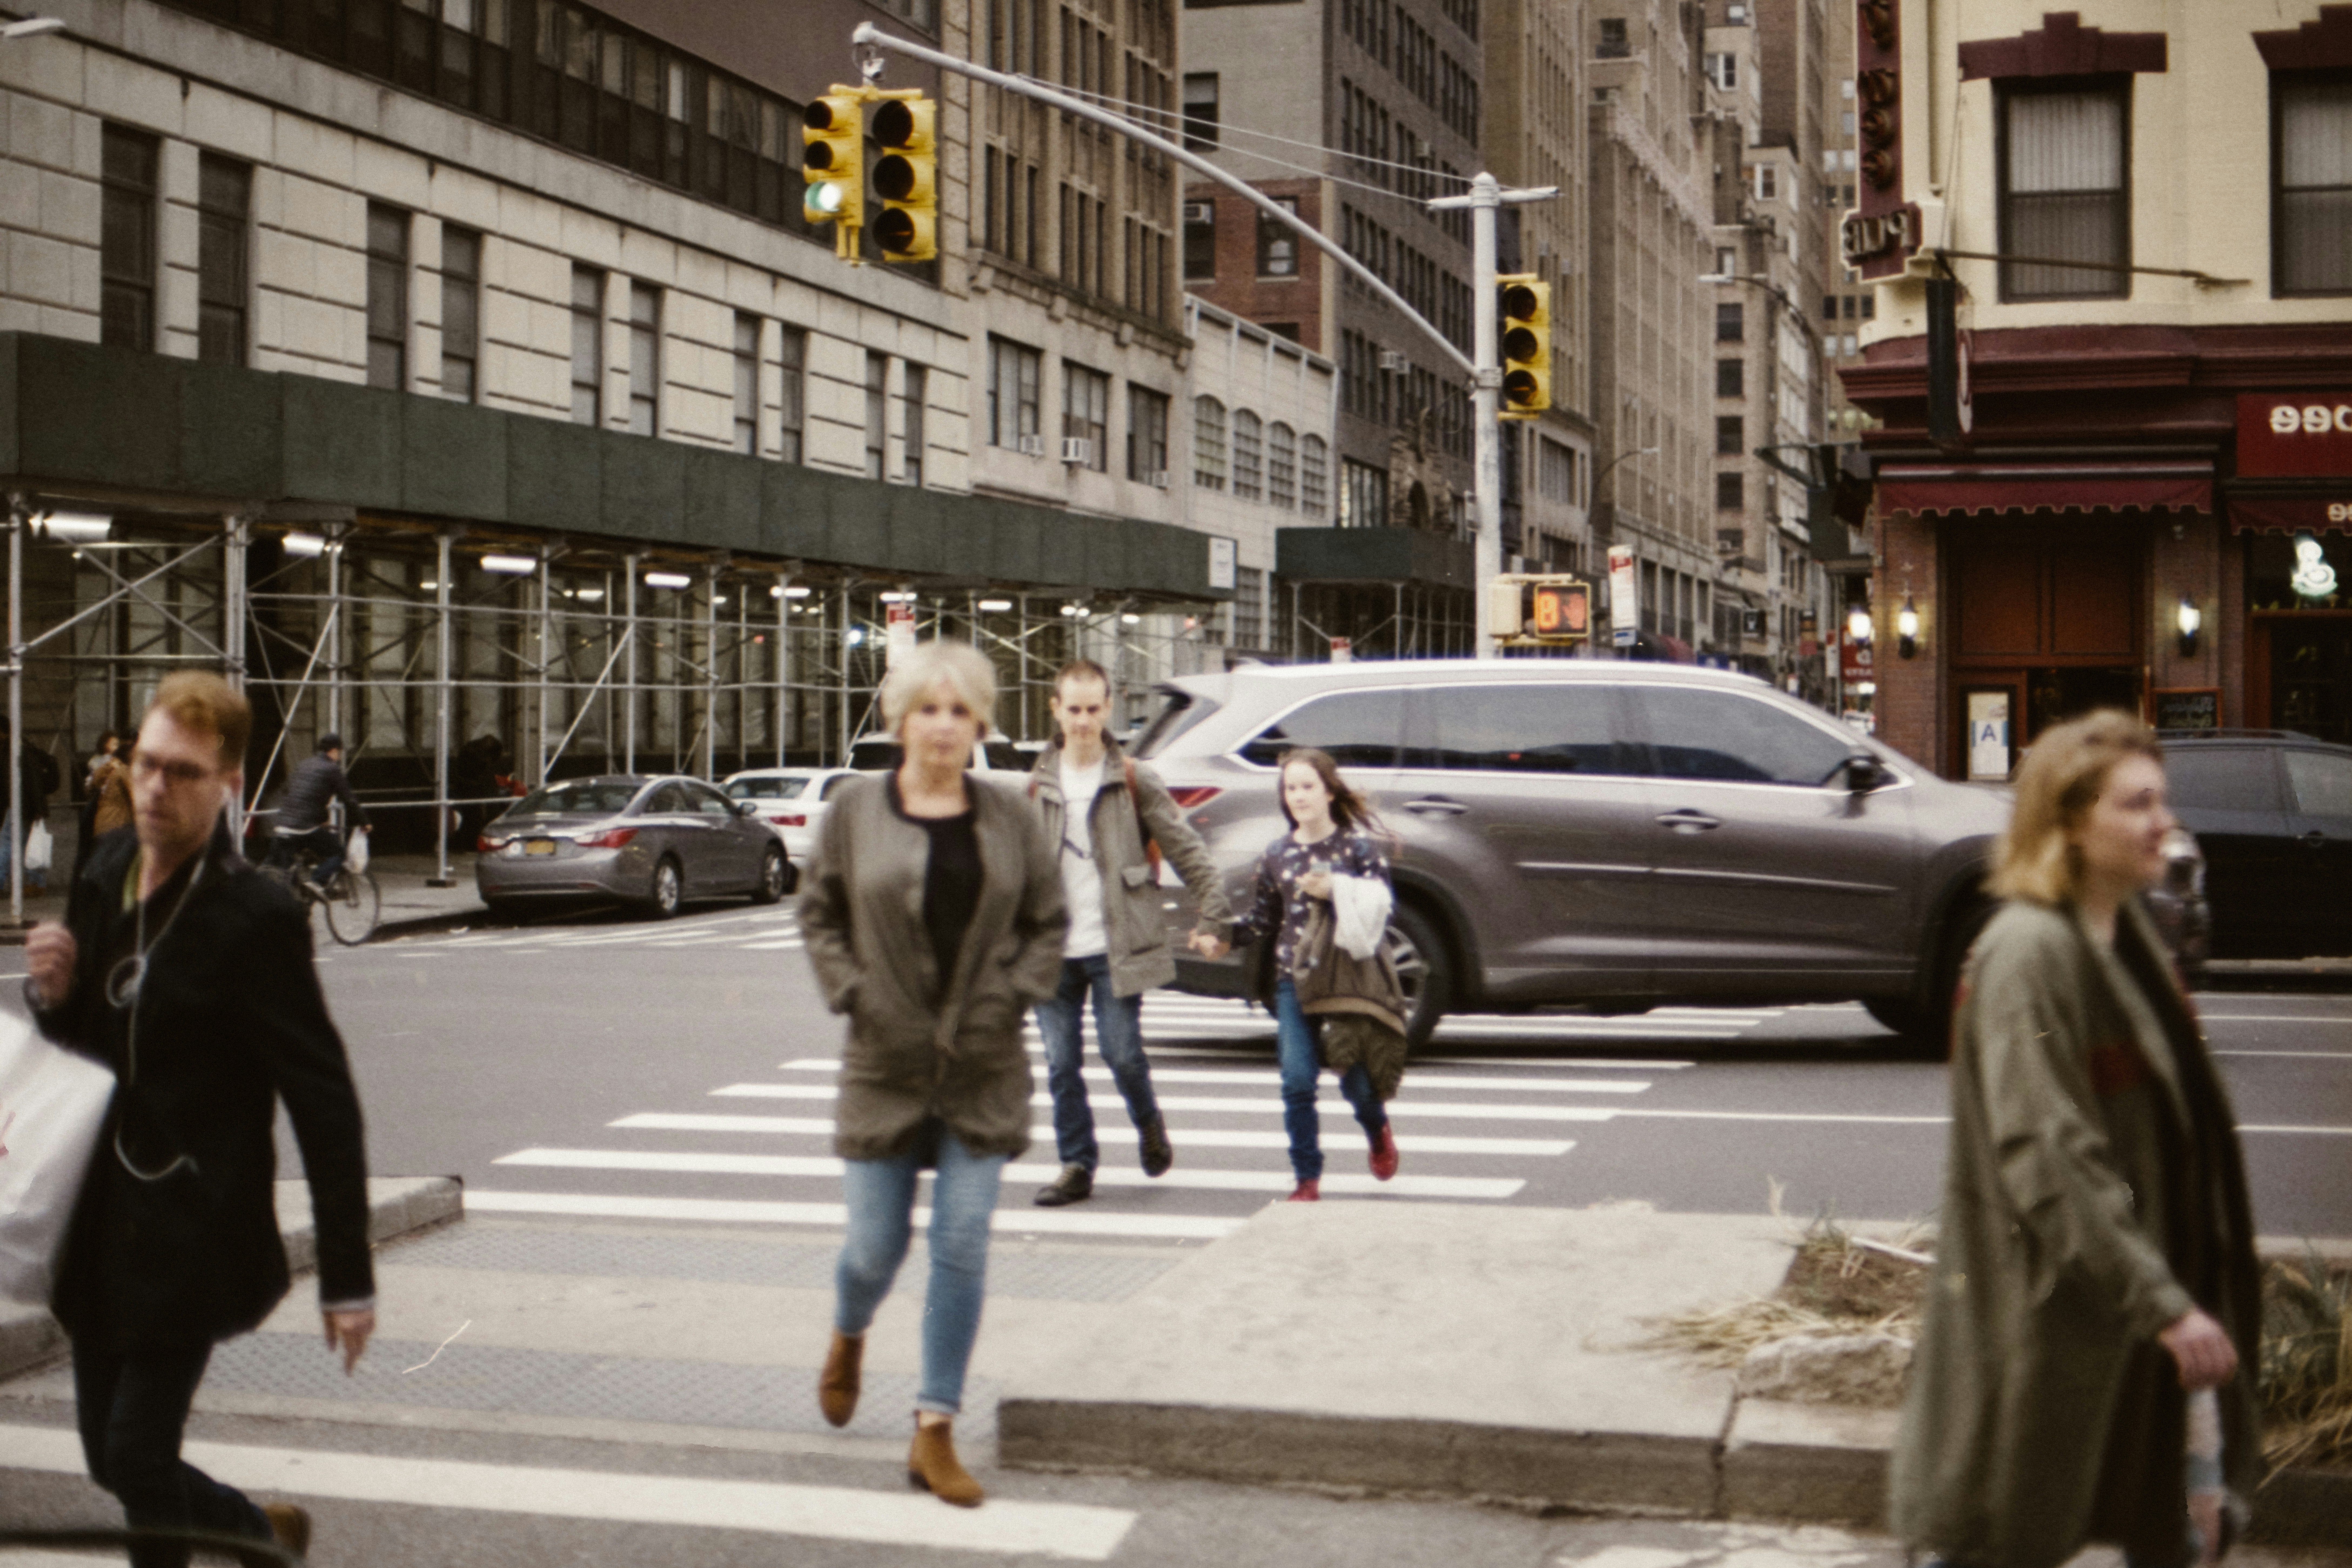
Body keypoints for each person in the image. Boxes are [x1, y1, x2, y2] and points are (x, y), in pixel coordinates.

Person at [1891, 711, 2262, 1568]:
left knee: (2160, 1523)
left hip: (2125, 1298)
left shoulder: (2127, 934)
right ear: (2067, 821)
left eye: (2160, 801)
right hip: (2057, 1305)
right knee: (2002, 1527)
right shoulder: (2026, 953)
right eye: (2135, 805)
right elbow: (2047, 1152)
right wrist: (2161, 1304)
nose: (2161, 822)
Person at [25, 672, 376, 1568]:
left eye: (181, 772)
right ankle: (255, 1531)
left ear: (227, 785)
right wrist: (52, 995)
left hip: (194, 1221)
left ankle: (248, 1537)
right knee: (112, 1456)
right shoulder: (106, 870)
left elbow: (321, 1092)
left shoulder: (253, 913)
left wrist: (347, 1274)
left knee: (138, 1449)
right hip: (103, 1214)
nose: (152, 788)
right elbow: (89, 1043)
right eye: (145, 764)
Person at [798, 640, 1065, 1508]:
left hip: (983, 1063)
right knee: (876, 1248)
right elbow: (819, 914)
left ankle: (935, 1427)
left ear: (980, 723)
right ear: (899, 720)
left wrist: (1014, 995)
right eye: (928, 709)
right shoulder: (852, 811)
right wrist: (852, 993)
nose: (944, 727)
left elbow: (1047, 922)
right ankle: (848, 1333)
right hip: (885, 1060)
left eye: (959, 711)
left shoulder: (1008, 817)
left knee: (960, 1243)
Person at [1026, 659, 1233, 1208]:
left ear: (1109, 708)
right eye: (1073, 709)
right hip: (1053, 952)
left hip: (1116, 944)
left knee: (1122, 1055)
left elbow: (1188, 850)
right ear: (1056, 709)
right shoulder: (1037, 784)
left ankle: (1148, 1122)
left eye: (1094, 708)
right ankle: (1076, 1164)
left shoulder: (1134, 778)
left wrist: (1214, 915)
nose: (1084, 720)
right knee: (1060, 1063)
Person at [1226, 748, 1401, 1202]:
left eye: (1307, 787)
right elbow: (1263, 920)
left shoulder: (1356, 848)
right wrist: (1223, 937)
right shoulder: (1277, 854)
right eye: (1290, 788)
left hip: (1345, 977)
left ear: (1328, 791)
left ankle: (1377, 1127)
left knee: (1356, 1081)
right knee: (1297, 1080)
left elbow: (1384, 904)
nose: (1298, 796)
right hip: (1294, 979)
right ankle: (1307, 1178)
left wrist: (1338, 889)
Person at [269, 732, 369, 888]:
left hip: (282, 823)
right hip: (304, 827)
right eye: (340, 752)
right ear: (335, 751)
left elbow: (293, 793)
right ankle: (316, 883)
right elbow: (349, 799)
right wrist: (364, 822)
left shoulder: (303, 765)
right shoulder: (332, 769)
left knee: (287, 866)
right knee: (339, 853)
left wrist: (322, 818)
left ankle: (300, 896)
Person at [0, 717, 62, 893]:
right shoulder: (17, 747)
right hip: (23, 805)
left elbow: (32, 781)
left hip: (23, 805)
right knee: (29, 843)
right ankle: (36, 883)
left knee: (8, 842)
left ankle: (30, 882)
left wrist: (37, 809)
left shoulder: (18, 750)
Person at [77, 731, 131, 877]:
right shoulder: (123, 772)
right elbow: (137, 798)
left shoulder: (107, 769)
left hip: (102, 822)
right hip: (117, 823)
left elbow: (93, 783)